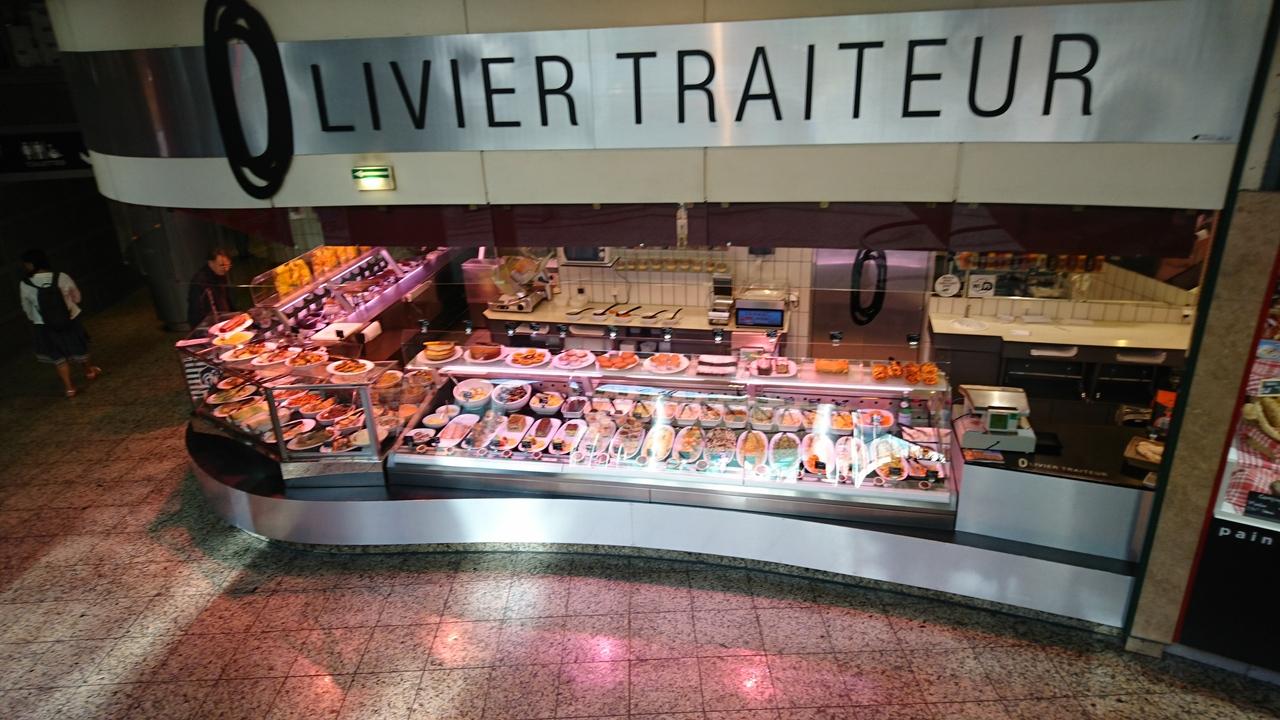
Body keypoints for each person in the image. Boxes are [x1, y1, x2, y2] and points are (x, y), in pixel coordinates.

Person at [18, 249, 101, 398]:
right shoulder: (61, 276)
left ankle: (69, 388)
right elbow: (77, 297)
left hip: (44, 325)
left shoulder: (25, 284)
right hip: (69, 319)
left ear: (30, 264)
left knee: (57, 356)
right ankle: (89, 371)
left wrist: (36, 318)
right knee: (79, 346)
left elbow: (26, 307)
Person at [187, 248, 235, 328]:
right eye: (222, 265)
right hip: (206, 324)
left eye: (228, 265)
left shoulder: (221, 274)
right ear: (210, 263)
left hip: (223, 319)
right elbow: (197, 309)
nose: (226, 269)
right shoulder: (200, 280)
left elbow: (226, 298)